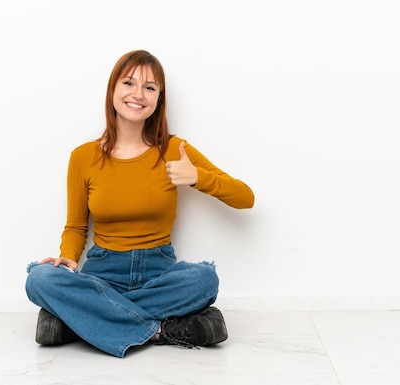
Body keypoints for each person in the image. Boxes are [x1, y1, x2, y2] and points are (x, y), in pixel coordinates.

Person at [24, 49, 255, 358]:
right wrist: (67, 258)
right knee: (39, 279)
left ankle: (80, 320)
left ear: (159, 98)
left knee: (204, 279)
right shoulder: (83, 157)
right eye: (129, 83)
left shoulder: (174, 150)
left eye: (150, 87)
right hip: (103, 275)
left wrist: (197, 176)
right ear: (113, 91)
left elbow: (245, 198)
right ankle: (159, 331)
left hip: (159, 273)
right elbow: (77, 226)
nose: (138, 94)